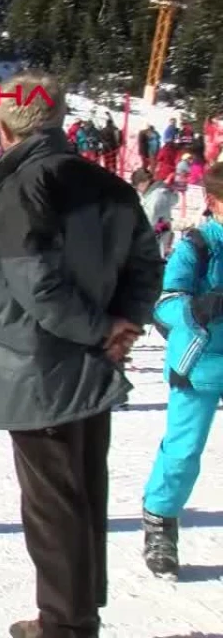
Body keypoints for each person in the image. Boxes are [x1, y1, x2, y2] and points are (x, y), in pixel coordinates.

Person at [0, 71, 163, 638]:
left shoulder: (23, 187)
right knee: (79, 492)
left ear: (4, 128)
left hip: (37, 369)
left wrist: (107, 328)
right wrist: (120, 325)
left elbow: (39, 287)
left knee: (53, 504)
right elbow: (146, 265)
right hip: (86, 363)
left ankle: (65, 625)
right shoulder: (109, 184)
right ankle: (74, 615)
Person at [142, 162, 223, 580]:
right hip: (200, 361)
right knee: (183, 450)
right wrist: (199, 307)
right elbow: (165, 303)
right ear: (213, 202)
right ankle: (160, 520)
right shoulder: (197, 245)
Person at [133, 168, 179, 258]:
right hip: (161, 231)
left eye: (137, 186)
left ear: (144, 182)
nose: (138, 189)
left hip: (156, 235)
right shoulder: (159, 190)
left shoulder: (157, 197)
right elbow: (175, 199)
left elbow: (150, 220)